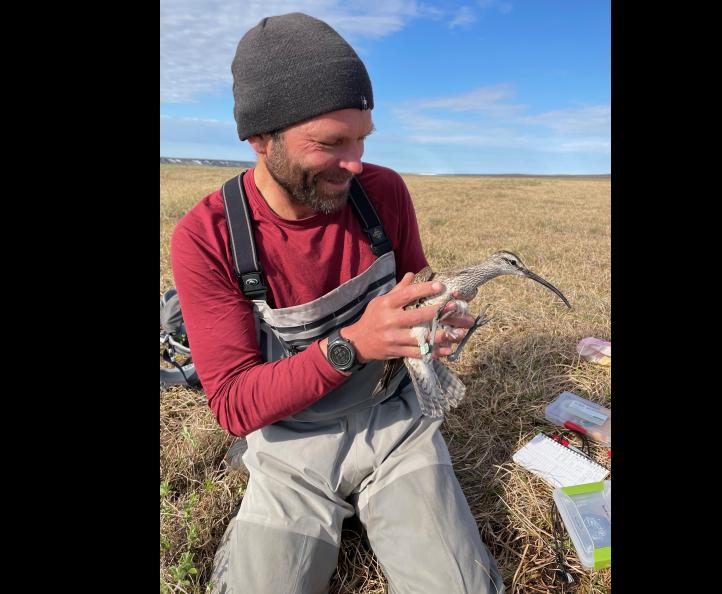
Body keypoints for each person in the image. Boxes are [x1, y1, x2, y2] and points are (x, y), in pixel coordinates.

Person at [170, 12, 504, 594]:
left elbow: (415, 291)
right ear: (259, 137)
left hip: (396, 422)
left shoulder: (382, 193)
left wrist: (436, 324)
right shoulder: (208, 237)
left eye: (362, 139)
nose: (354, 163)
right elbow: (233, 405)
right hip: (288, 443)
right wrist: (353, 345)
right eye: (330, 143)